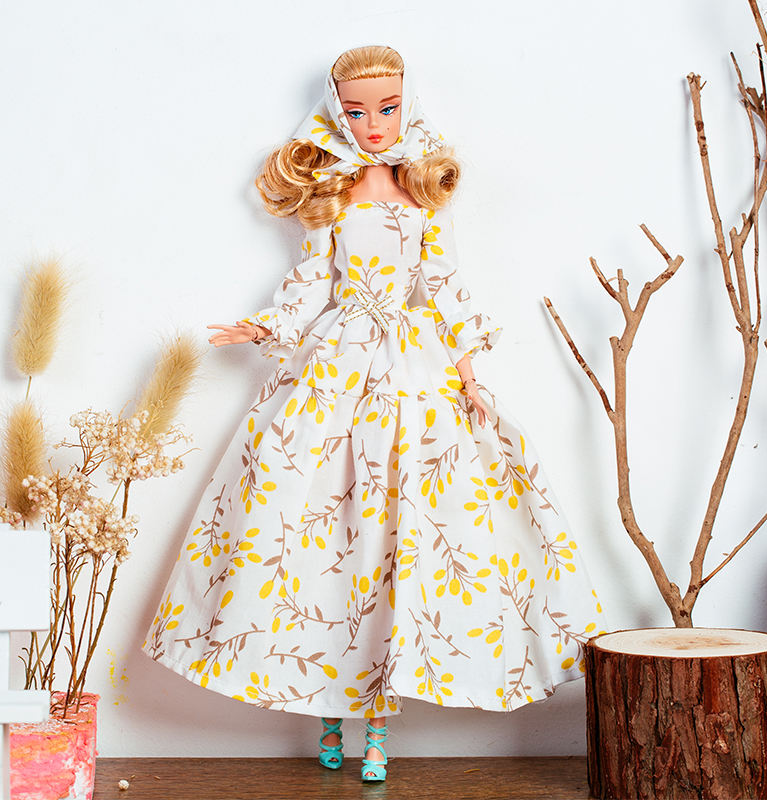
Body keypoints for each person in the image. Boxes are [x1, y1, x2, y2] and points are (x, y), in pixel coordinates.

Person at [144, 45, 605, 783]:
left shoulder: (423, 194)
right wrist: (264, 326)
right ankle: (330, 714)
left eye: (386, 107)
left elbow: (444, 286)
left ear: (407, 104)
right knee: (321, 528)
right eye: (357, 111)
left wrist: (468, 375)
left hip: (412, 369)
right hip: (337, 363)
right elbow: (309, 282)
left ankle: (380, 727)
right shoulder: (330, 192)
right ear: (337, 112)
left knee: (404, 530)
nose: (373, 123)